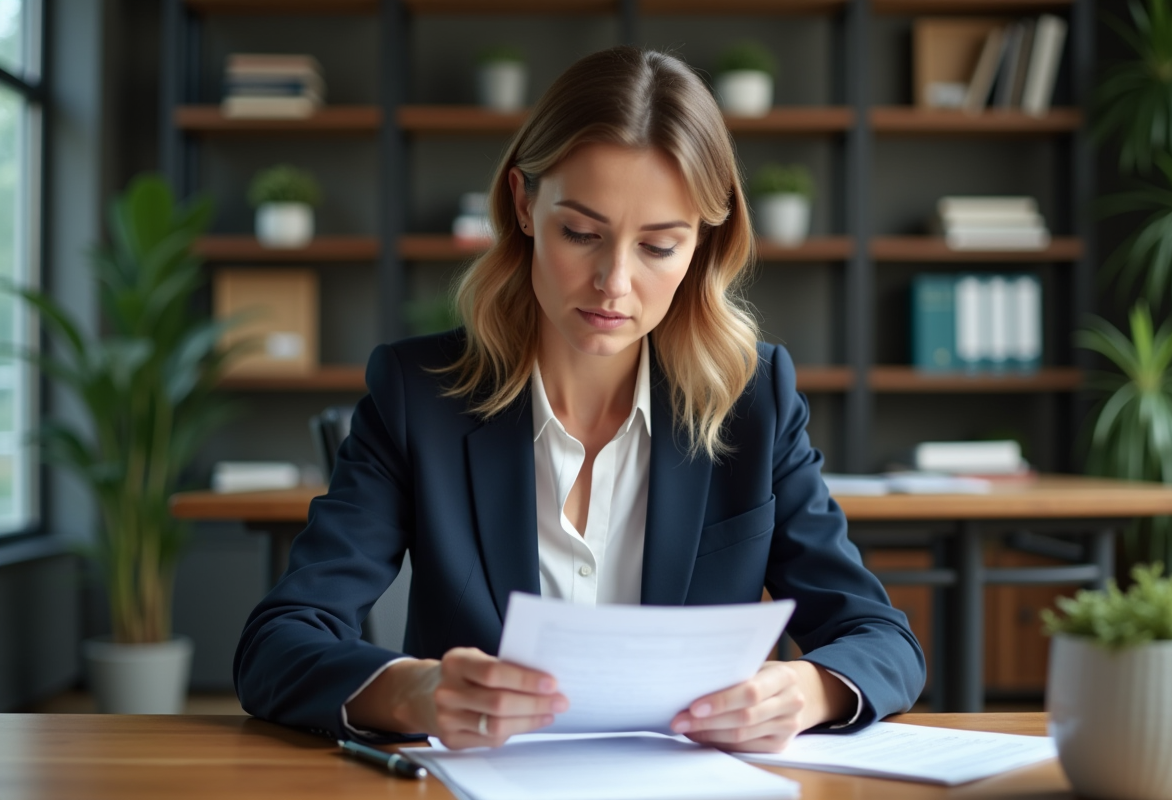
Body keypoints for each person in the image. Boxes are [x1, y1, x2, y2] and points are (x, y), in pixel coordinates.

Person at [234, 46, 924, 753]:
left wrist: (805, 691)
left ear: (701, 248)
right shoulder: (420, 395)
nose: (613, 282)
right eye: (582, 234)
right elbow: (277, 644)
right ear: (524, 204)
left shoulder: (753, 399)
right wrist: (415, 690)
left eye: (658, 246)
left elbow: (880, 638)